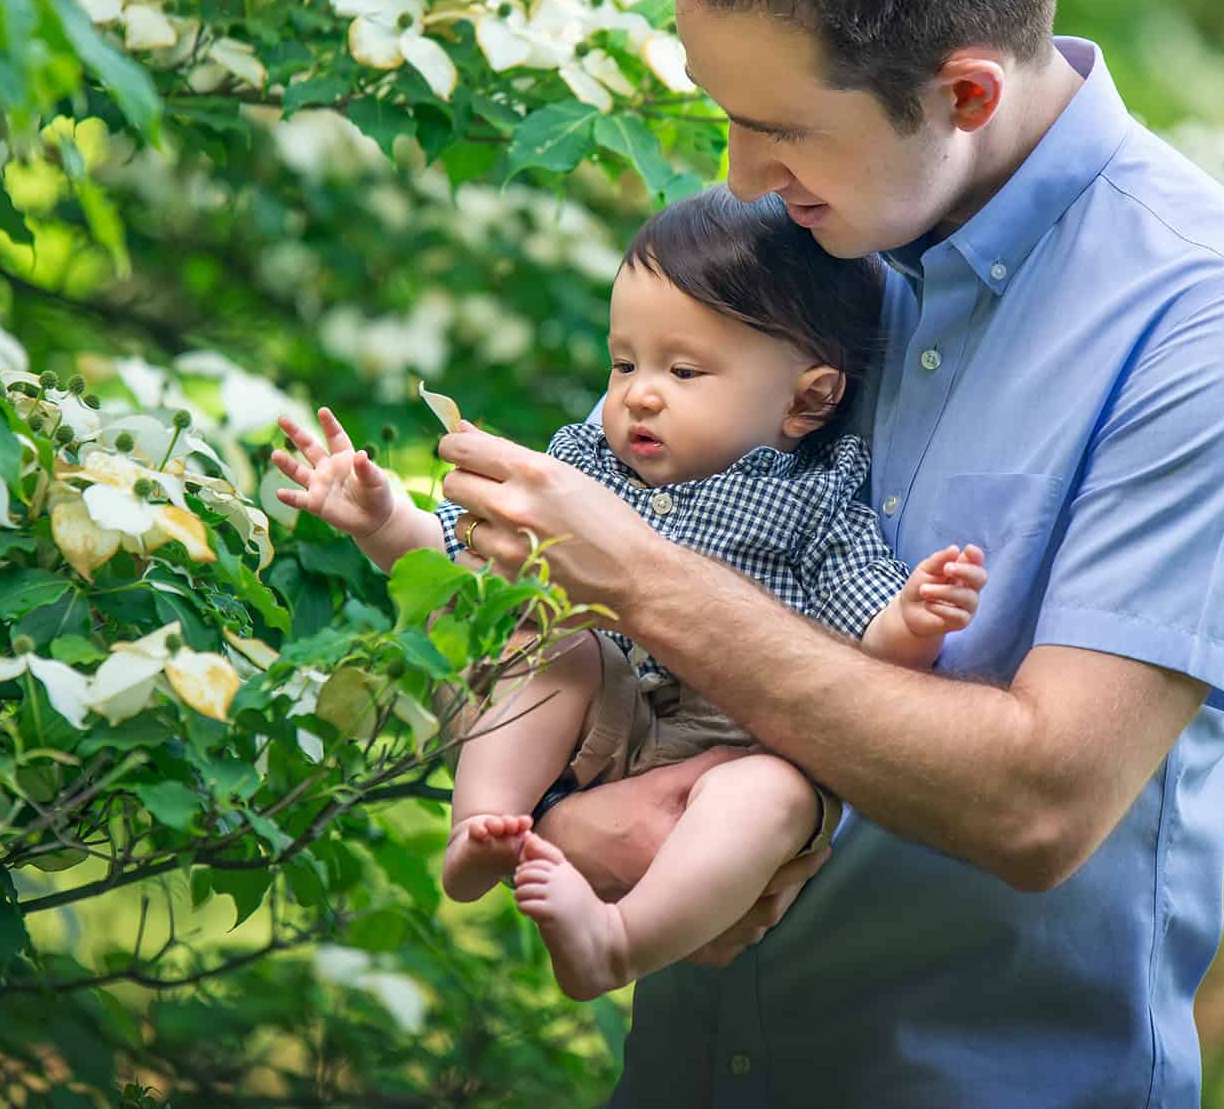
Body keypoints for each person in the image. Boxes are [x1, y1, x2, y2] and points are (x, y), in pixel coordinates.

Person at [432, 0, 1224, 1107]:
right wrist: (570, 802)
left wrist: (632, 570)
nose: (739, 175)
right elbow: (588, 671)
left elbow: (1039, 802)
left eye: (779, 126)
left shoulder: (1217, 320)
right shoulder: (804, 240)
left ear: (966, 93)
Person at [270, 187, 988, 1001]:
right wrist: (380, 516)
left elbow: (872, 661)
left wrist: (915, 619)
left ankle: (617, 941)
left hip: (735, 738)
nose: (640, 392)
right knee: (557, 646)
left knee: (776, 794)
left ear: (809, 398)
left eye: (683, 370)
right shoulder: (588, 465)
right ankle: (482, 823)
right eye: (624, 363)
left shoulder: (819, 500)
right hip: (604, 706)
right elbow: (469, 554)